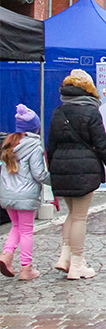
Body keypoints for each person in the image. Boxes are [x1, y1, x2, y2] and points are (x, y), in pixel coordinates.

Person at [47, 69, 106, 280]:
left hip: (61, 168)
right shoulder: (91, 112)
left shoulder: (59, 112)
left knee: (71, 214)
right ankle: (77, 264)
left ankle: (65, 256)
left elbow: (50, 145)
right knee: (80, 217)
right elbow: (101, 145)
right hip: (84, 169)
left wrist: (55, 169)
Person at [0, 105, 50, 280]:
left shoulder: (8, 144)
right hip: (25, 196)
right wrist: (55, 180)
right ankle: (26, 268)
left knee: (16, 226)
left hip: (7, 194)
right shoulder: (34, 146)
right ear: (35, 128)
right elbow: (39, 174)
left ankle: (6, 255)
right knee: (27, 230)